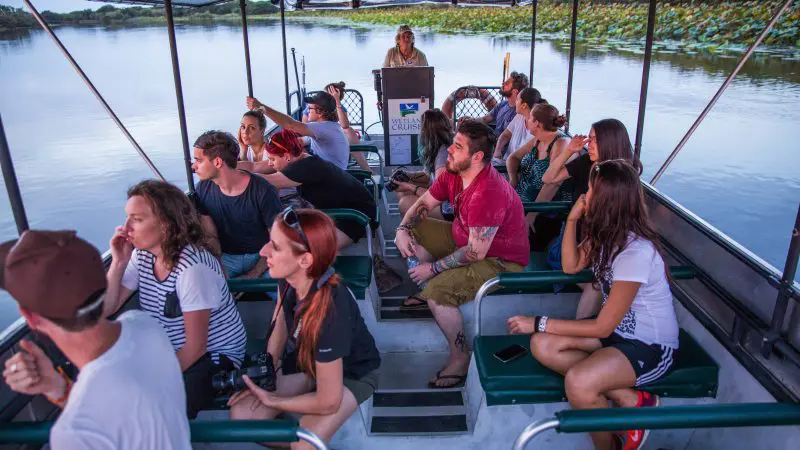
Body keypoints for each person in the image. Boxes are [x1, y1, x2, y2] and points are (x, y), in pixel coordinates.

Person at [508, 160, 678, 450]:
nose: (585, 194)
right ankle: (631, 400)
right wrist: (573, 220)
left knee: (578, 382)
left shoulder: (635, 251)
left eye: (590, 189)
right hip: (617, 337)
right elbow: (571, 265)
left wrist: (538, 321)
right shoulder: (605, 236)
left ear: (607, 200)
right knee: (542, 345)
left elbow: (602, 325)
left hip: (649, 346)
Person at [1, 230, 191, 449]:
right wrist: (58, 388)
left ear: (30, 318)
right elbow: (125, 414)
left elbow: (106, 414)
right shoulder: (145, 326)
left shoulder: (74, 432)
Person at [228, 208, 381, 449]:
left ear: (305, 260)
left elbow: (329, 401)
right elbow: (279, 326)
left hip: (352, 374)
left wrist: (273, 400)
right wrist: (270, 375)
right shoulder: (288, 278)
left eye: (275, 247)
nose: (263, 251)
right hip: (308, 365)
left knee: (304, 441)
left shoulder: (331, 309)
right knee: (243, 416)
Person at [394, 120, 529, 388]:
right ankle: (430, 285)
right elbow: (423, 204)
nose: (450, 150)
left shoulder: (487, 193)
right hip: (465, 239)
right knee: (415, 228)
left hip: (500, 260)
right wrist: (401, 229)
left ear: (477, 156)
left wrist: (431, 270)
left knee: (436, 292)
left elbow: (476, 253)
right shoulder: (453, 173)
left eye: (457, 146)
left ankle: (459, 358)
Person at [104, 180, 247, 419]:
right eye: (127, 217)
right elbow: (108, 307)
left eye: (137, 219)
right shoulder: (142, 257)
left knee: (156, 408)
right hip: (169, 349)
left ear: (166, 225)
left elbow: (196, 348)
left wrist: (152, 380)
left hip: (214, 356)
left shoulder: (192, 270)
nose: (126, 227)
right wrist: (118, 262)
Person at [542, 118, 642, 319]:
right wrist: (569, 151)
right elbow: (548, 178)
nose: (589, 143)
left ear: (609, 142)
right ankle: (584, 330)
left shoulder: (624, 180)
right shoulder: (586, 162)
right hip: (575, 239)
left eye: (595, 139)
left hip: (600, 243)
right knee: (594, 282)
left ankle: (584, 330)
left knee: (597, 281)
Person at [259, 129, 377, 250]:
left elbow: (265, 181)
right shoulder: (302, 158)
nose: (269, 164)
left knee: (301, 250)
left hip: (355, 216)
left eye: (272, 159)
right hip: (342, 209)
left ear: (287, 156)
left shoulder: (305, 168)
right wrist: (238, 167)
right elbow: (254, 166)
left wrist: (240, 176)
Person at [192, 130, 281, 279]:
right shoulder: (203, 189)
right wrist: (217, 266)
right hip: (227, 258)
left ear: (218, 162)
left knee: (284, 293)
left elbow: (277, 241)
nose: (194, 167)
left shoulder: (263, 191)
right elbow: (211, 235)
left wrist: (252, 275)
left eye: (198, 161)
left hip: (263, 256)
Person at [507, 103, 572, 250]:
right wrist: (513, 180)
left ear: (537, 123)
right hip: (521, 204)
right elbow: (513, 158)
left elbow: (553, 184)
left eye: (529, 118)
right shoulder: (537, 140)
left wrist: (532, 215)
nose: (526, 120)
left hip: (545, 212)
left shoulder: (560, 143)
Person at [247, 91, 350, 170]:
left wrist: (261, 107)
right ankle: (253, 168)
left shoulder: (323, 127)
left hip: (331, 178)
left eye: (310, 109)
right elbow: (303, 140)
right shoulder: (329, 127)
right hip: (330, 171)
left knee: (283, 159)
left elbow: (290, 125)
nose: (307, 111)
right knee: (288, 155)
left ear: (320, 112)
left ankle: (253, 171)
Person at [393, 108, 454, 220]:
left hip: (449, 209)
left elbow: (438, 196)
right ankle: (417, 227)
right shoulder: (439, 147)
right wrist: (407, 175)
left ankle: (417, 231)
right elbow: (428, 175)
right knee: (402, 190)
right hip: (442, 199)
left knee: (404, 203)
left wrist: (411, 187)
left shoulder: (443, 154)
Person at [445, 71, 528, 137]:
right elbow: (485, 119)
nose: (502, 84)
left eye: (506, 83)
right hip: (493, 141)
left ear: (514, 91)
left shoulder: (519, 113)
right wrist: (470, 120)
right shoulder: (502, 105)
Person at [491, 87, 542, 164]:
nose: (515, 102)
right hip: (504, 163)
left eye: (517, 99)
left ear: (524, 105)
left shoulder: (538, 128)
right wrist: (497, 151)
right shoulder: (519, 117)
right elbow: (505, 135)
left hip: (514, 169)